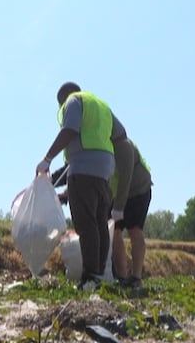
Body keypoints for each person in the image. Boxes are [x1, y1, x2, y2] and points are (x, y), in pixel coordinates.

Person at [35, 82, 129, 291]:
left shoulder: (73, 101)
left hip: (83, 169)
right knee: (99, 222)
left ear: (62, 100)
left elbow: (69, 130)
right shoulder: (101, 105)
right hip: (105, 170)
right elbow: (121, 135)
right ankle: (99, 275)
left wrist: (47, 159)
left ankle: (89, 277)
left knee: (86, 224)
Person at [108, 138, 152, 289]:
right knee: (115, 231)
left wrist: (119, 207)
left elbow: (126, 177)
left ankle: (136, 277)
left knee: (134, 230)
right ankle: (122, 276)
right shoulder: (96, 143)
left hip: (138, 189)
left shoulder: (123, 145)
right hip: (116, 193)